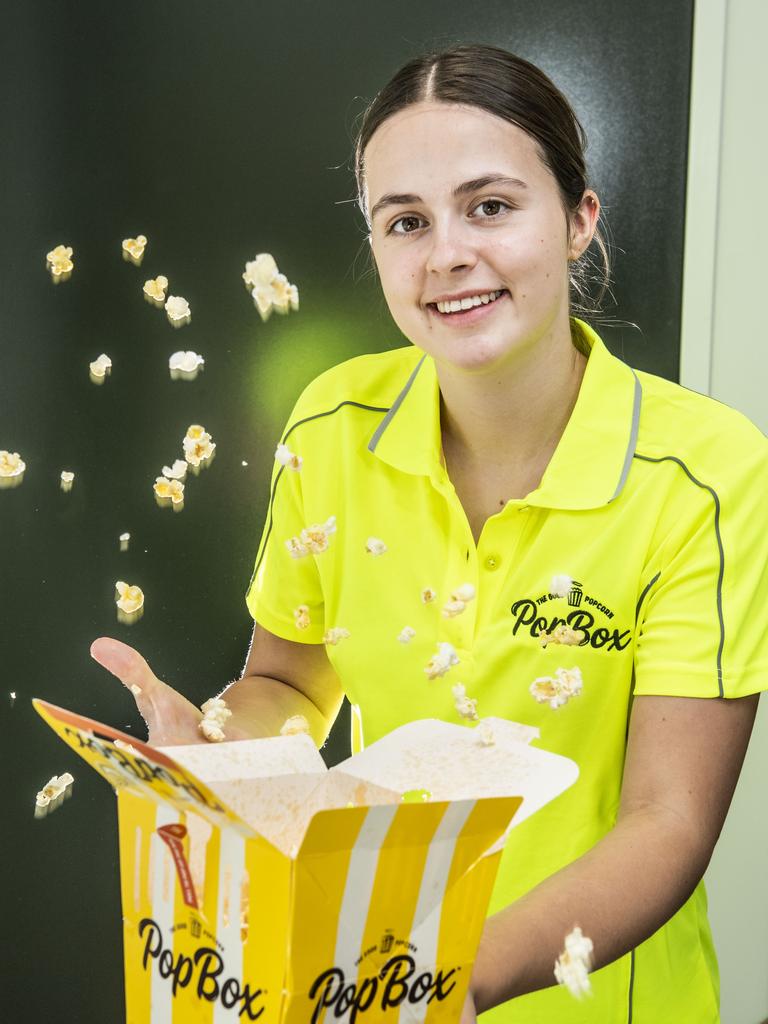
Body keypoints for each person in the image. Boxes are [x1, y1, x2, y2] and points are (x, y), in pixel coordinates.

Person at [90, 44, 767, 1023]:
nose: (446, 251)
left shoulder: (706, 473)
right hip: (360, 984)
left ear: (579, 220)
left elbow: (668, 820)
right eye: (405, 221)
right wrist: (224, 753)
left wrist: (452, 972)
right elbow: (290, 683)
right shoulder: (334, 422)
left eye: (490, 206)